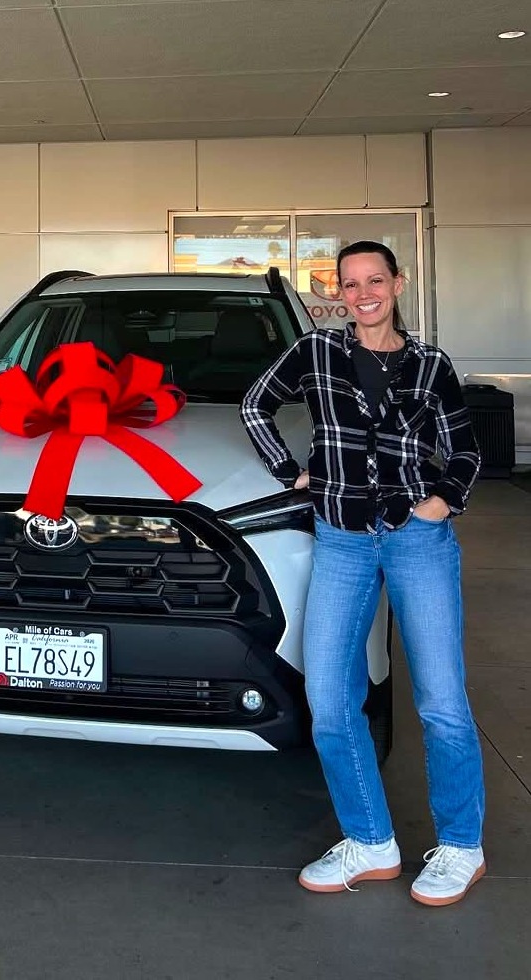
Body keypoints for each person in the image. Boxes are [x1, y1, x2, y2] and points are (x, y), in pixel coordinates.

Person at [240, 240, 485, 907]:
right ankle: (371, 840)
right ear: (337, 293)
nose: (364, 293)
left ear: (397, 284)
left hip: (418, 540)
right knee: (329, 700)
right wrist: (291, 474)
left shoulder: (431, 364)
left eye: (375, 280)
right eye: (350, 284)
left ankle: (462, 845)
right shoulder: (316, 352)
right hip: (342, 540)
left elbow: (465, 447)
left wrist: (439, 505)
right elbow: (254, 404)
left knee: (441, 702)